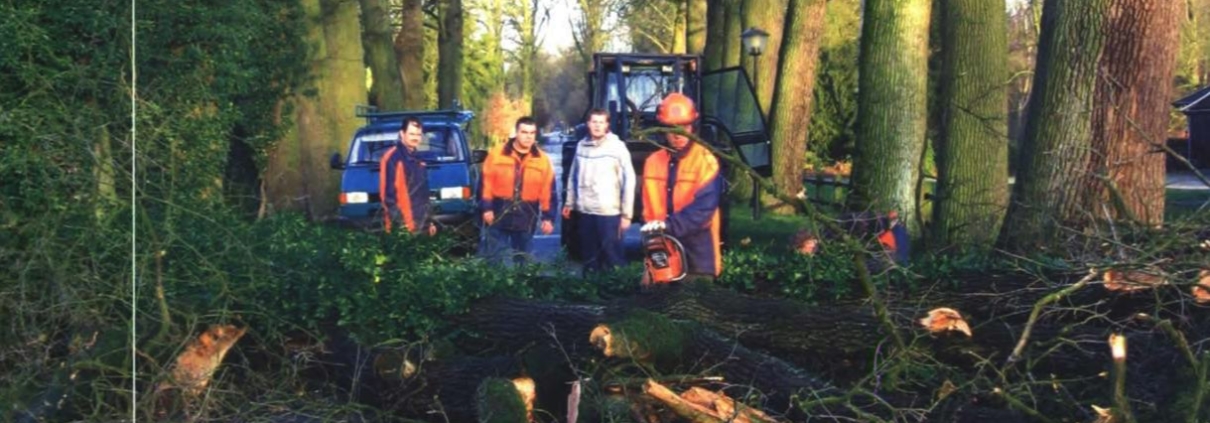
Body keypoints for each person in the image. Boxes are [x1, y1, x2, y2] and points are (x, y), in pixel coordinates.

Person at [639, 93, 724, 282]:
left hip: (698, 255)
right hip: (662, 252)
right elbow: (648, 212)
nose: (678, 135)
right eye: (672, 129)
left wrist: (669, 226)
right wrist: (649, 261)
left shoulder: (706, 161)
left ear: (693, 126)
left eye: (683, 127)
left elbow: (703, 211)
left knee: (695, 299)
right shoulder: (653, 162)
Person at [562, 109, 636, 272]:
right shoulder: (581, 147)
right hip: (585, 212)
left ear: (607, 125)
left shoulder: (617, 147)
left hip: (608, 214)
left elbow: (629, 180)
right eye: (594, 122)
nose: (597, 126)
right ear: (588, 124)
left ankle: (617, 286)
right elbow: (573, 176)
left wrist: (626, 215)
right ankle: (591, 285)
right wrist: (569, 203)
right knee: (590, 260)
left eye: (601, 122)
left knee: (613, 260)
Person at [479, 116, 556, 265]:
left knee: (523, 262)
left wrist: (548, 218)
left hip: (526, 217)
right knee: (494, 261)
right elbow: (485, 184)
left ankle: (522, 279)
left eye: (532, 133)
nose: (528, 137)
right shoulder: (497, 154)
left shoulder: (542, 160)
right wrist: (486, 208)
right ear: (516, 133)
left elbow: (548, 191)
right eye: (524, 132)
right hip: (498, 215)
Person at [380, 117, 437, 236]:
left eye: (418, 134)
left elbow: (423, 195)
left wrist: (429, 222)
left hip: (422, 227)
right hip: (402, 229)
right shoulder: (392, 158)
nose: (415, 138)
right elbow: (388, 198)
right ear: (402, 133)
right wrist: (402, 226)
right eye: (411, 134)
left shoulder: (419, 159)